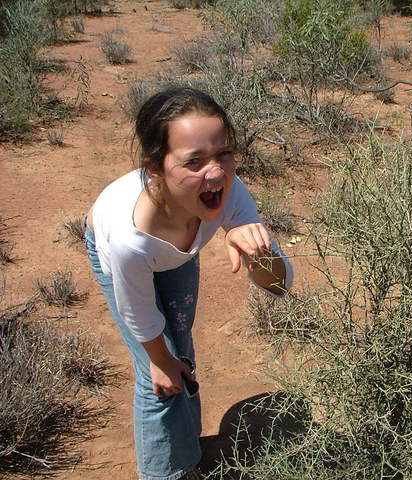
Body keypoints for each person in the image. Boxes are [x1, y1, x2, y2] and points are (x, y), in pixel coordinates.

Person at [84, 87, 292, 480]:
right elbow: (139, 316)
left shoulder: (226, 190)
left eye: (223, 154)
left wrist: (258, 252)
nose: (214, 173)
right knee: (157, 374)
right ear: (155, 169)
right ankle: (165, 473)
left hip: (176, 253)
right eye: (193, 161)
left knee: (183, 353)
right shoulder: (131, 239)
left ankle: (186, 449)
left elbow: (279, 287)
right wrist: (160, 361)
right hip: (120, 249)